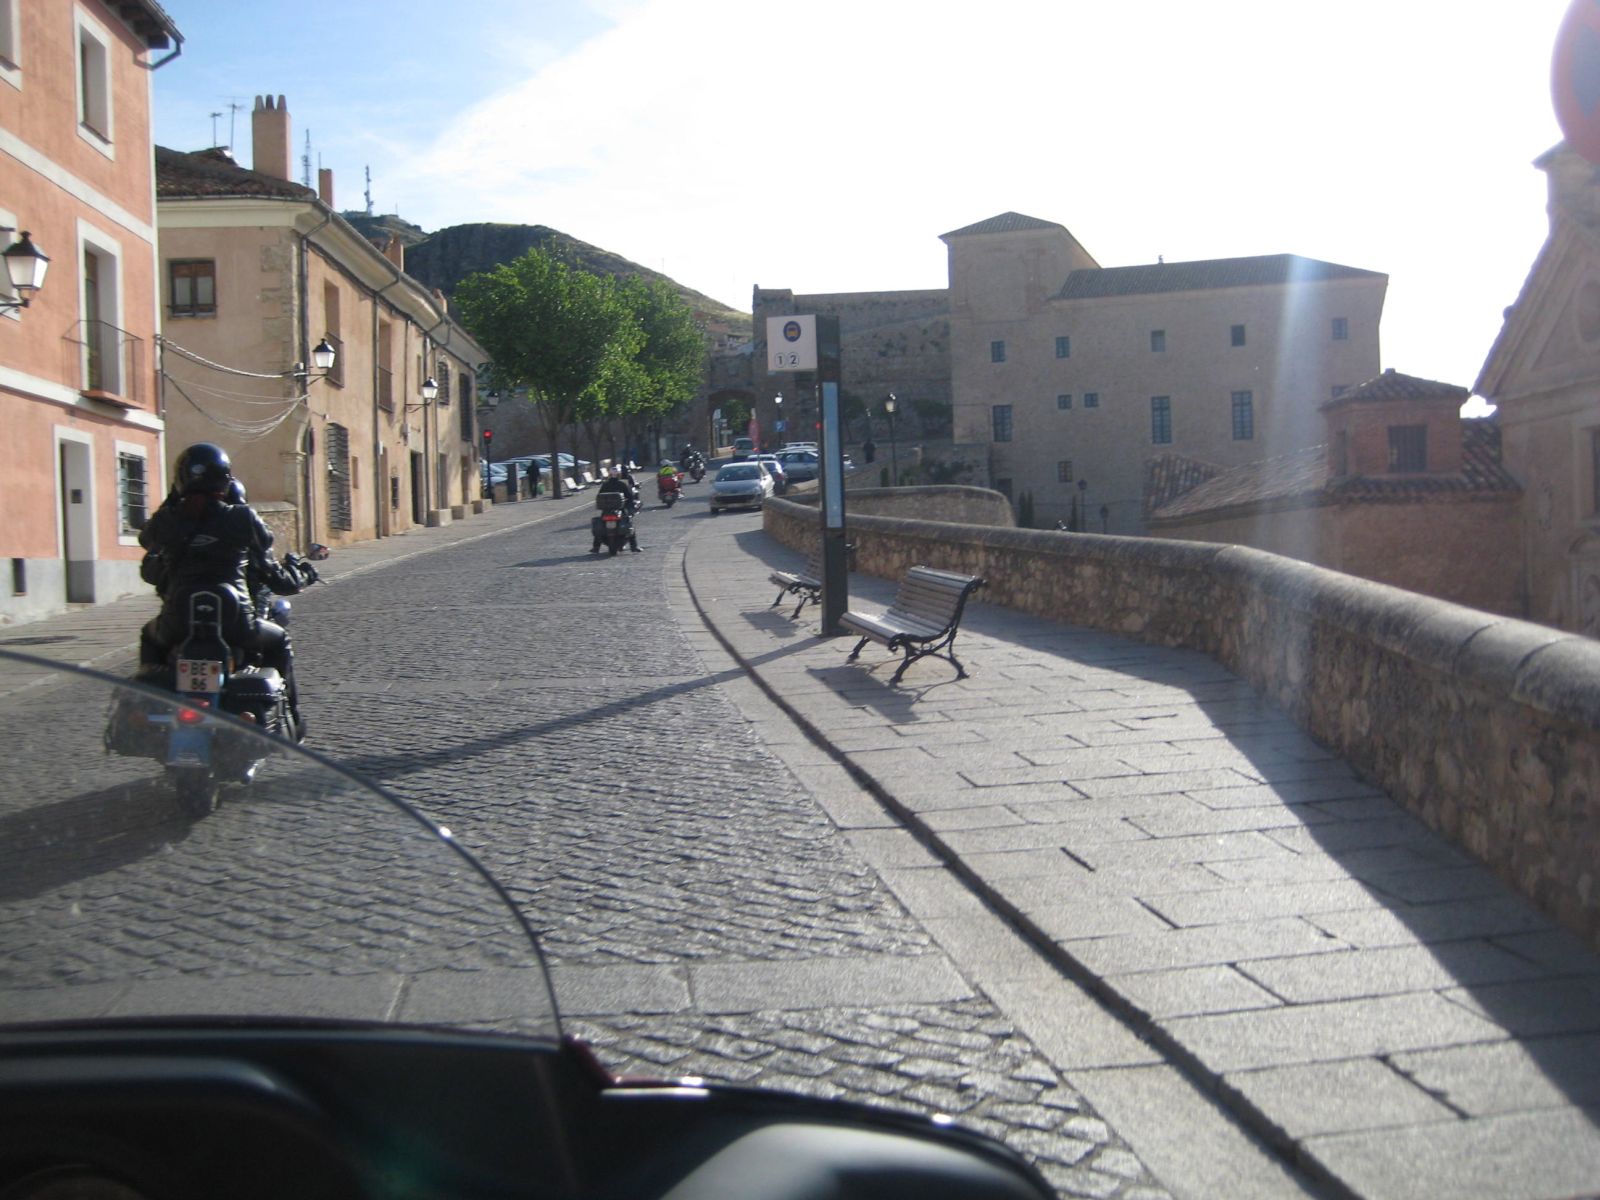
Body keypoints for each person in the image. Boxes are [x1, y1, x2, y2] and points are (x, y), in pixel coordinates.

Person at [137, 443, 311, 736]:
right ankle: (291, 716)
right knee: (279, 640)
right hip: (236, 622)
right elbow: (265, 544)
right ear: (224, 479)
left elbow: (146, 541)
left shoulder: (167, 520)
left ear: (180, 479)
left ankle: (147, 701)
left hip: (177, 623)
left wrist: (174, 501)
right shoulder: (241, 517)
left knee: (149, 635)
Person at [591, 468, 641, 552]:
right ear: (618, 475)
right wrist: (630, 506)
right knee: (629, 524)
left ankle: (596, 547)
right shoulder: (622, 484)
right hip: (620, 509)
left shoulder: (605, 485)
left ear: (609, 475)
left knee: (600, 525)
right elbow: (629, 497)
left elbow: (599, 496)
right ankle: (634, 546)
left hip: (606, 510)